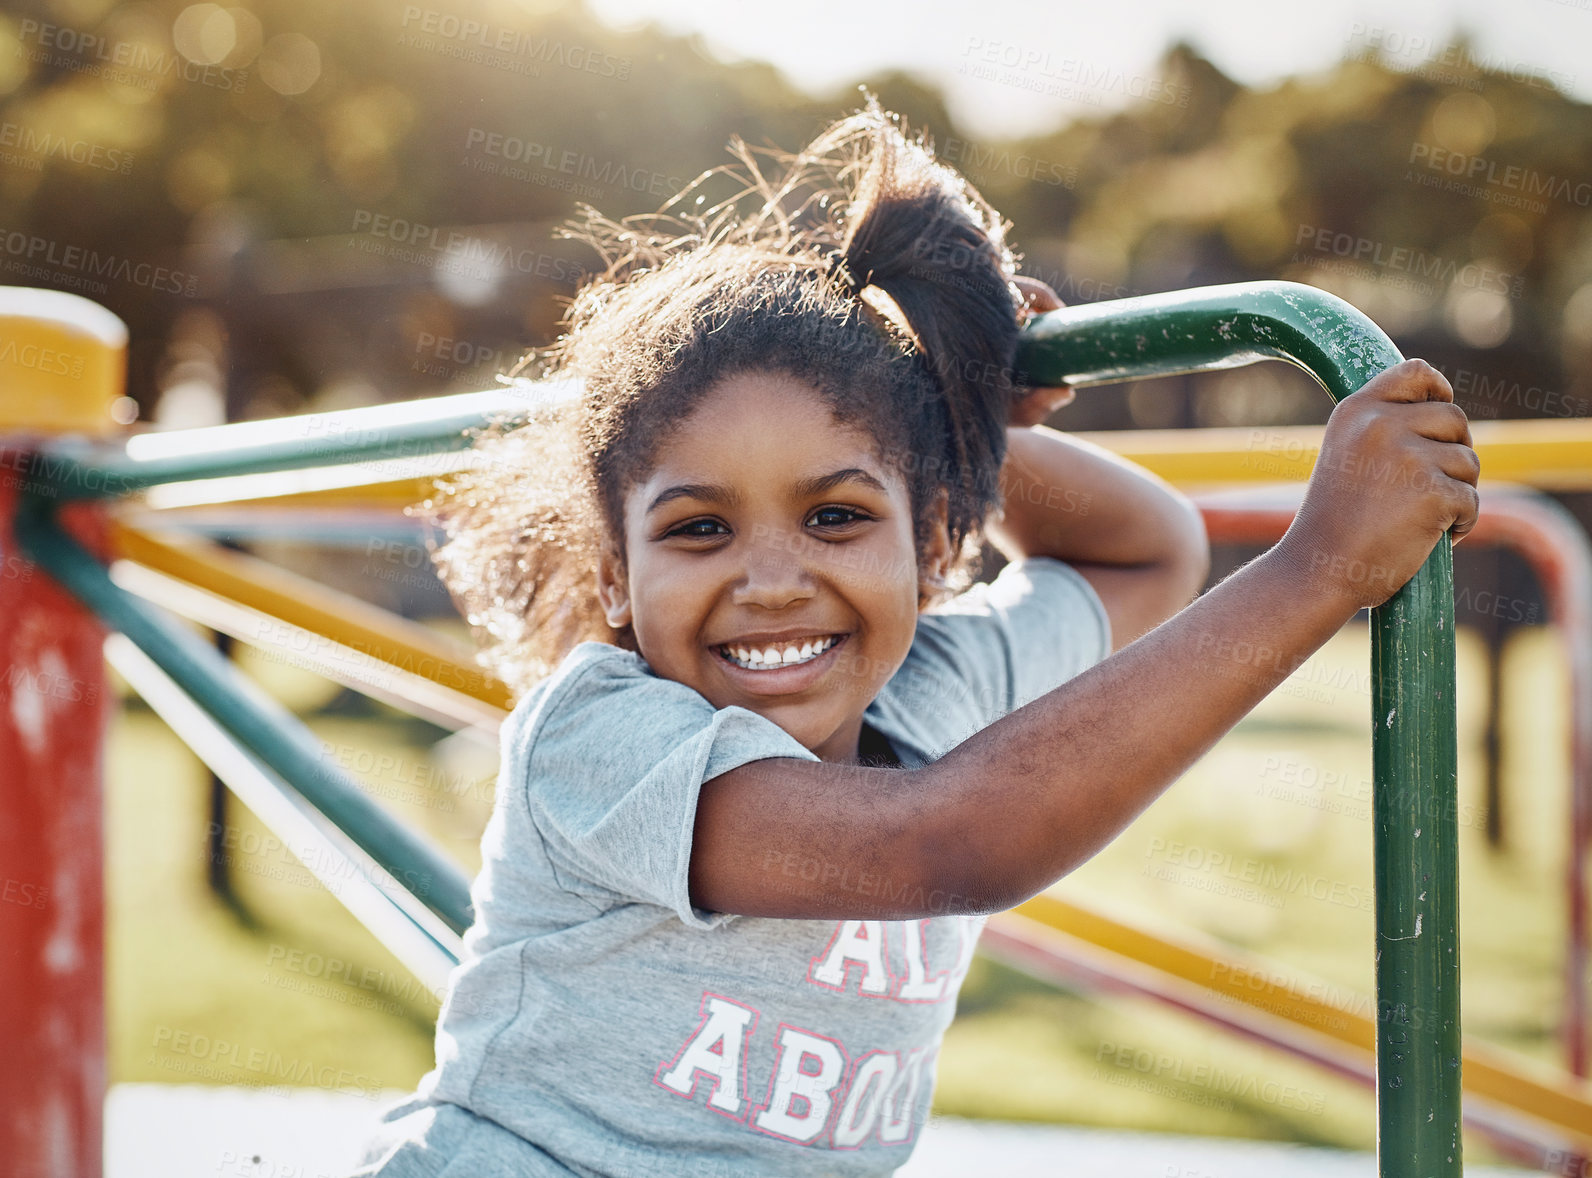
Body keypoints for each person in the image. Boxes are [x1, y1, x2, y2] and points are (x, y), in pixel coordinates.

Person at [349, 99, 1478, 1178]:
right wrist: (1319, 567)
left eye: (837, 514)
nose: (775, 582)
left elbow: (1146, 553)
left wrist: (963, 414)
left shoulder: (939, 687)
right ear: (613, 572)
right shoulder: (601, 737)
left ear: (936, 538)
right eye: (699, 528)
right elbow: (948, 843)